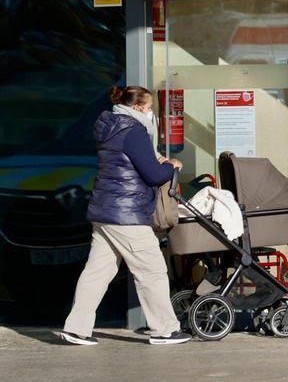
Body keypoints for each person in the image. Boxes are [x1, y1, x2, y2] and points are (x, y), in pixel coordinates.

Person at [57, 85, 190, 346]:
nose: (152, 113)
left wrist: (157, 162)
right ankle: (165, 330)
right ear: (138, 108)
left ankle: (76, 328)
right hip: (126, 214)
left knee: (97, 271)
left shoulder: (110, 126)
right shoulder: (133, 131)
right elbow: (152, 174)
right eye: (150, 108)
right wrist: (172, 167)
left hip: (105, 210)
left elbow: (131, 164)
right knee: (151, 270)